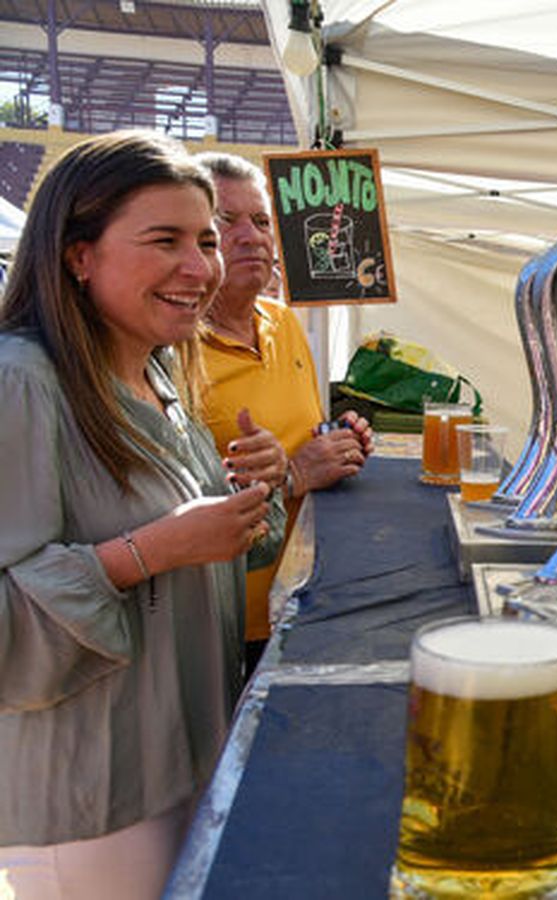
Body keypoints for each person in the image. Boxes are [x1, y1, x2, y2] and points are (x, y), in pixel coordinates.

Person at [0, 131, 275, 898]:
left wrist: (251, 498)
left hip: (181, 760)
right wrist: (148, 551)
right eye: (166, 241)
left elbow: (201, 562)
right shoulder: (22, 383)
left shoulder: (156, 377)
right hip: (94, 805)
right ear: (76, 255)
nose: (201, 269)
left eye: (207, 241)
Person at [193, 152, 372, 671]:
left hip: (306, 594)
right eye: (226, 222)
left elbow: (304, 433)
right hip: (226, 623)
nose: (252, 236)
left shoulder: (284, 323)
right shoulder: (171, 351)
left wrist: (341, 441)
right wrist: (296, 474)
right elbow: (170, 506)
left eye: (262, 221)